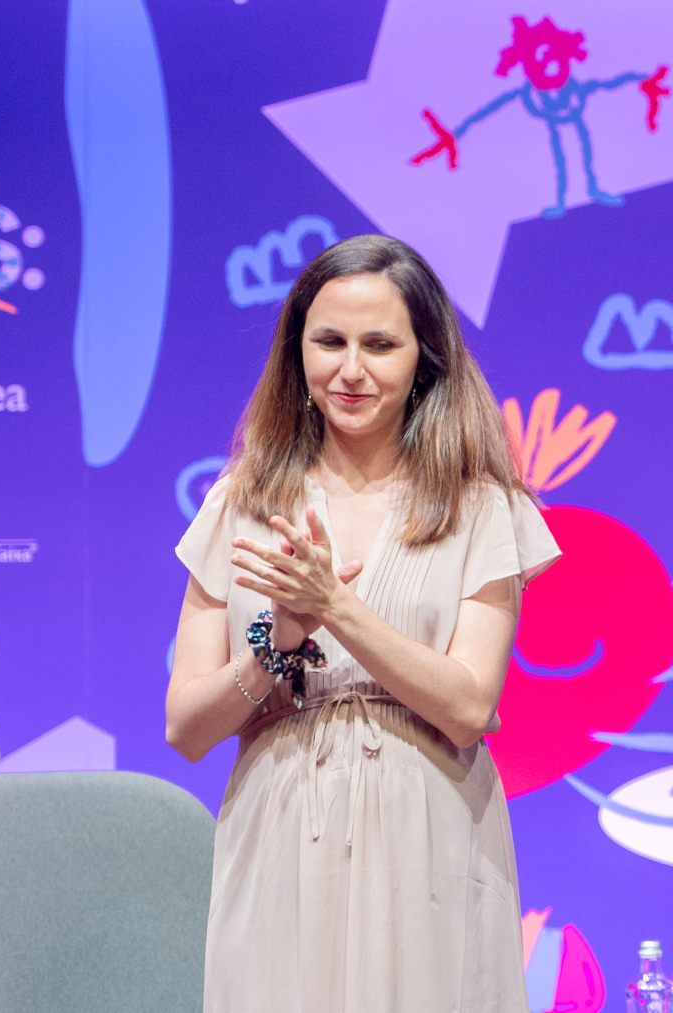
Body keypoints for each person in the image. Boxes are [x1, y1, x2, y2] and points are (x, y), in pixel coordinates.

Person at [166, 234, 558, 1011]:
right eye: (330, 342)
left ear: (425, 359)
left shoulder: (481, 507)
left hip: (430, 834)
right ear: (297, 353)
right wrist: (274, 644)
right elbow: (185, 727)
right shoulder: (242, 501)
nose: (351, 369)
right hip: (278, 828)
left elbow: (468, 705)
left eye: (380, 344)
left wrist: (336, 607)